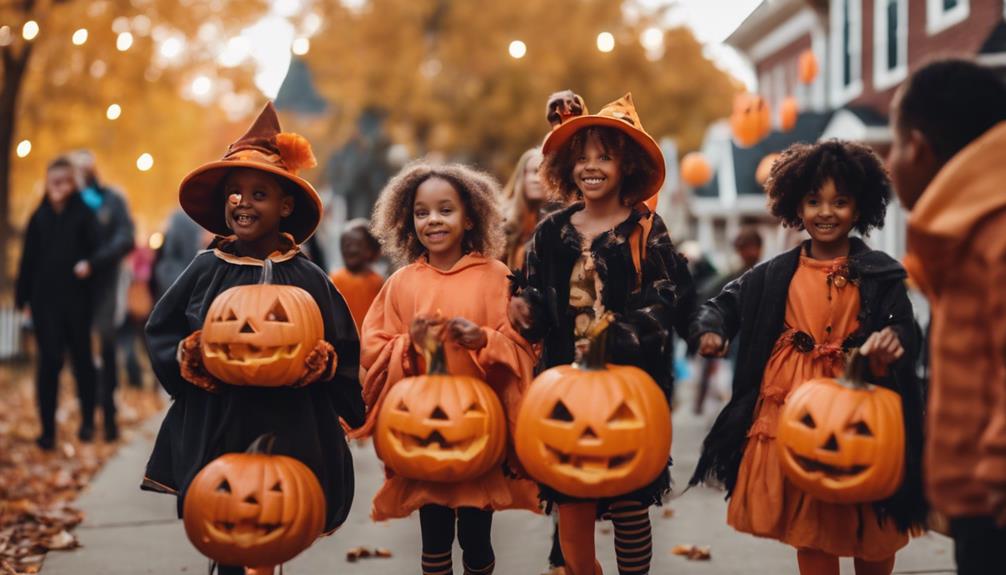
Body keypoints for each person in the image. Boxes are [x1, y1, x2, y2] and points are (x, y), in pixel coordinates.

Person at [141, 103, 365, 575]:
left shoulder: (307, 277)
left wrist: (325, 365)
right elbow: (162, 327)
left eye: (259, 193)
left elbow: (344, 345)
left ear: (285, 206)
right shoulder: (206, 268)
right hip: (219, 413)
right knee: (225, 514)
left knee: (272, 517)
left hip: (287, 418)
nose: (243, 202)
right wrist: (189, 355)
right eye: (235, 193)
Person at [690, 140, 926, 575]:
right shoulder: (773, 274)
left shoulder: (880, 272)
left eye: (840, 201)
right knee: (808, 514)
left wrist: (894, 338)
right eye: (814, 200)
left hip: (863, 405)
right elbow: (722, 305)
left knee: (872, 520)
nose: (826, 212)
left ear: (860, 208)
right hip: (794, 409)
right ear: (796, 206)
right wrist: (711, 330)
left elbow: (905, 327)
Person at [509, 93, 696, 575]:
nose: (592, 167)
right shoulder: (550, 233)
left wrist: (622, 333)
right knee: (571, 503)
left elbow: (666, 298)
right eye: (583, 157)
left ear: (626, 166)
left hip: (628, 389)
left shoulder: (645, 230)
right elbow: (534, 294)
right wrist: (524, 310)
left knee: (630, 499)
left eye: (605, 157)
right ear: (568, 166)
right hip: (562, 384)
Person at [354, 161, 540, 575]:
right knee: (434, 534)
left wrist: (485, 340)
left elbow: (522, 348)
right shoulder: (402, 283)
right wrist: (409, 345)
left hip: (479, 431)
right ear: (408, 219)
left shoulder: (496, 277)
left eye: (445, 210)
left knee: (476, 537)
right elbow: (373, 349)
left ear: (470, 216)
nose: (433, 220)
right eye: (422, 212)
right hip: (422, 433)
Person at [887, 58, 1006, 574]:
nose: (891, 163)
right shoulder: (969, 234)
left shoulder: (997, 236)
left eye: (892, 145)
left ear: (918, 147)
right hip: (977, 504)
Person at [15, 156, 99, 450]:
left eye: (65, 181)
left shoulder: (86, 215)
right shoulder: (39, 217)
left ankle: (88, 421)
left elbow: (98, 254)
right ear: (47, 182)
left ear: (74, 183)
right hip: (44, 302)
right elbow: (27, 261)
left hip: (77, 302)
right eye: (54, 182)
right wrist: (22, 299)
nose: (59, 187)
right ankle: (47, 430)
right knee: (48, 364)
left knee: (82, 363)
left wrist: (90, 268)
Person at [72, 150, 135, 442]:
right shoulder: (69, 202)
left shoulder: (112, 199)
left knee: (106, 347)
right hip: (75, 289)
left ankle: (109, 415)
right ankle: (87, 418)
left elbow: (126, 238)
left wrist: (95, 262)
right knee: (81, 353)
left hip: (105, 285)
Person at [692, 227, 763, 415]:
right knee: (734, 373)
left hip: (758, 336)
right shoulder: (734, 277)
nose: (749, 253)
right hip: (737, 336)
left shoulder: (768, 273)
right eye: (743, 248)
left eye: (751, 247)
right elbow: (709, 298)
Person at [329, 218, 383, 333]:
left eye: (355, 244)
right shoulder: (334, 280)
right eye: (344, 244)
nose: (348, 248)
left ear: (369, 250)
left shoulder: (377, 282)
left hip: (369, 340)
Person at [501, 148, 545, 269]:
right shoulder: (501, 219)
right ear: (522, 175)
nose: (539, 179)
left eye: (545, 173)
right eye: (535, 172)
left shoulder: (553, 221)